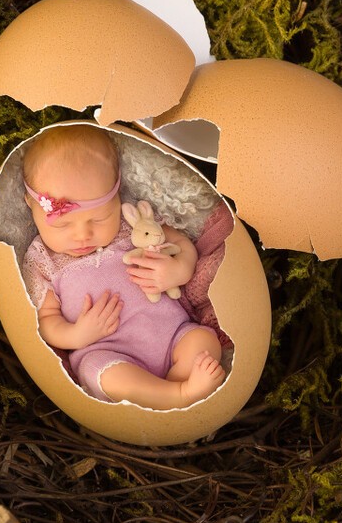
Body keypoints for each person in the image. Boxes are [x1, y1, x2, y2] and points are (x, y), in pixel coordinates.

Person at [20, 125, 226, 409]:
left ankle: (168, 391)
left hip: (172, 335)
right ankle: (179, 395)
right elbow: (47, 320)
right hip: (108, 353)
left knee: (204, 342)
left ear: (118, 197)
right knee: (107, 377)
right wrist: (76, 335)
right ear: (30, 204)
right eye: (63, 224)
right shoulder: (43, 259)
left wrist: (179, 269)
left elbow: (182, 243)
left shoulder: (131, 226)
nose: (82, 236)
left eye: (99, 219)